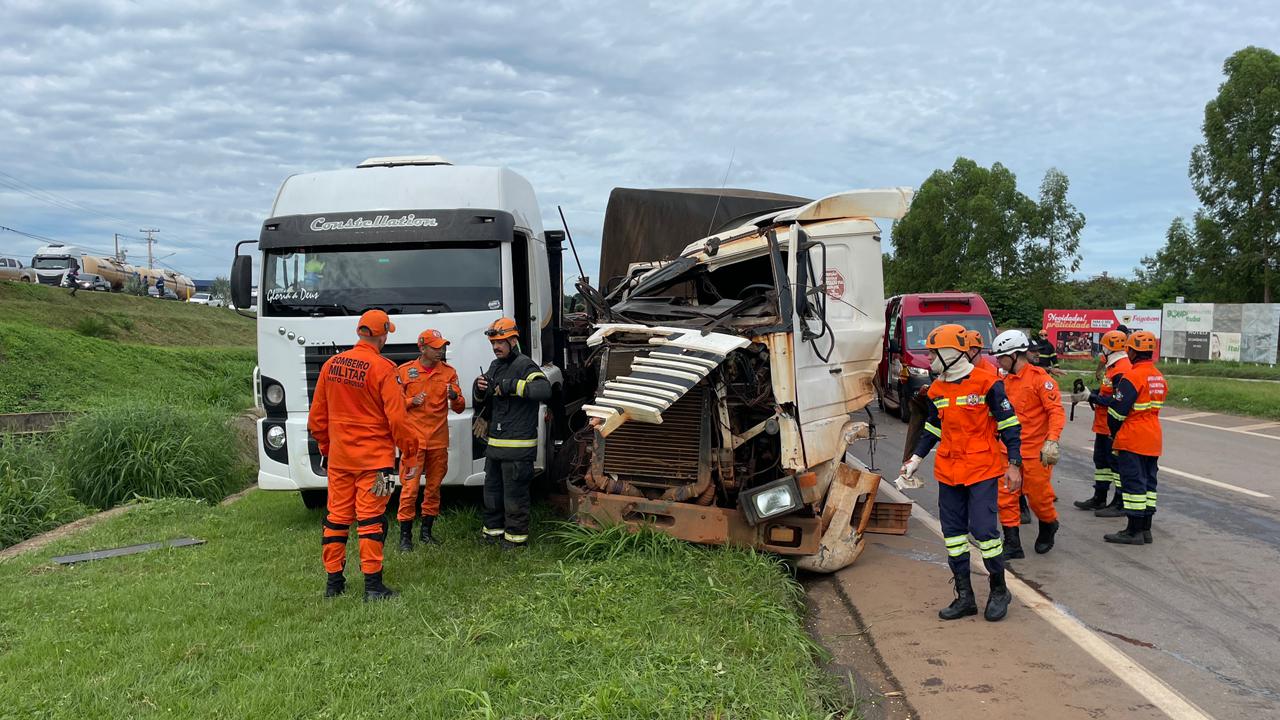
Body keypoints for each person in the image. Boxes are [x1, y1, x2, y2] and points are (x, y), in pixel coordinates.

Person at [899, 324, 1022, 622]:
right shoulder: (937, 389)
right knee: (953, 535)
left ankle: (999, 590)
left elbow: (1009, 425)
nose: (929, 359)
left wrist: (1014, 464)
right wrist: (915, 459)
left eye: (933, 353)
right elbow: (933, 428)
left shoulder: (988, 384)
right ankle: (965, 597)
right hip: (949, 471)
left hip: (981, 469)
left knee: (984, 532)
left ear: (951, 353)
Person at [308, 310, 420, 600]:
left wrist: (328, 449)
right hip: (375, 463)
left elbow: (317, 419)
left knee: (336, 518)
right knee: (371, 520)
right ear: (382, 335)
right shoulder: (384, 369)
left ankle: (334, 584)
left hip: (340, 461)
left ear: (360, 332)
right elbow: (399, 420)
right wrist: (410, 454)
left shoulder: (331, 365)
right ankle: (373, 586)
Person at [474, 317, 551, 549]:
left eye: (500, 342)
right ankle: (492, 533)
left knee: (514, 497)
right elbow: (489, 398)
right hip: (496, 446)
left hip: (517, 448)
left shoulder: (525, 365)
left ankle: (515, 540)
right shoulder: (495, 365)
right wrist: (480, 389)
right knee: (492, 494)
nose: (496, 347)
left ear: (513, 341)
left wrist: (512, 386)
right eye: (493, 343)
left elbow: (543, 389)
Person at [991, 330, 1065, 558]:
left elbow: (1055, 412)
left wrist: (1052, 440)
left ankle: (1049, 523)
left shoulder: (1041, 380)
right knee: (1005, 497)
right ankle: (1012, 544)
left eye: (1001, 357)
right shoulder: (1003, 382)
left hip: (1035, 453)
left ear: (1014, 355)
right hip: (1007, 451)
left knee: (1039, 498)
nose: (998, 361)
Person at [396, 329, 465, 550]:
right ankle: (405, 538)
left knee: (433, 488)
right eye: (436, 347)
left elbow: (460, 406)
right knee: (410, 489)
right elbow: (393, 405)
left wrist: (455, 397)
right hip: (413, 442)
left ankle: (426, 533)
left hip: (438, 440)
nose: (440, 351)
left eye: (442, 347)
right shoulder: (404, 371)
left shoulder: (449, 373)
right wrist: (411, 402)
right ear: (422, 348)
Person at [1104, 331, 1167, 545]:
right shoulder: (1158, 376)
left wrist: (1114, 434)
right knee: (1149, 484)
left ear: (1131, 351)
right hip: (1153, 436)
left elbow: (1116, 412)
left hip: (1133, 437)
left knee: (1133, 485)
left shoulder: (1132, 376)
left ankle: (1133, 531)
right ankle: (1146, 529)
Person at [1075, 329, 1132, 512]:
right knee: (1101, 462)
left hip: (1112, 425)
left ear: (1110, 349)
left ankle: (1119, 502)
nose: (1102, 351)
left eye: (1104, 347)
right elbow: (1107, 392)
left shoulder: (1121, 369)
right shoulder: (1113, 366)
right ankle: (1099, 497)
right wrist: (1092, 393)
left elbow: (1117, 401)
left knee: (1115, 465)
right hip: (1103, 424)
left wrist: (1091, 397)